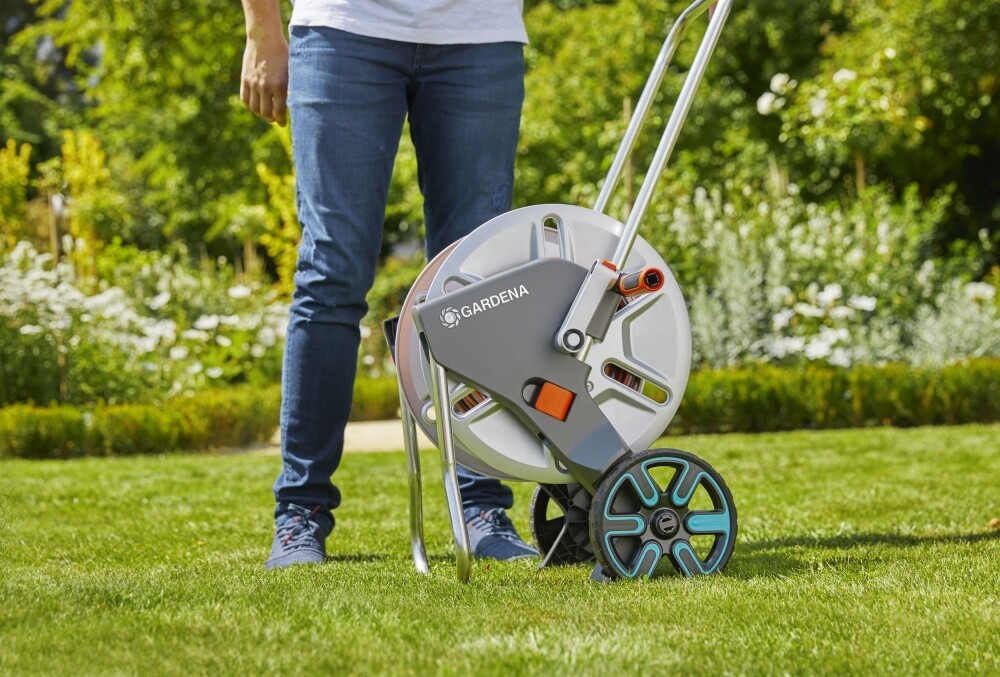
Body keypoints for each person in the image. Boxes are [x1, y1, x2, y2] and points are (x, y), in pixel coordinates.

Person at [239, 0, 539, 568]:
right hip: (344, 28)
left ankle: (479, 507)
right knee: (332, 273)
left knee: (472, 286)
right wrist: (262, 30)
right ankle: (301, 512)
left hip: (479, 33)